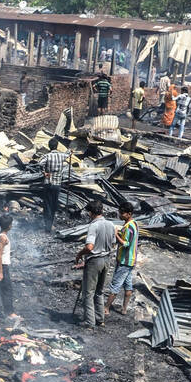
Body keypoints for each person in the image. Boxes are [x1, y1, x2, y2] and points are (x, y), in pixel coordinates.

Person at [74, 200, 116, 329]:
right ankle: (100, 319)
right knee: (99, 291)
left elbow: (90, 247)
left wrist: (80, 254)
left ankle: (90, 322)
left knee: (88, 293)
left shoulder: (94, 226)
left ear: (91, 213)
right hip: (106, 260)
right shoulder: (110, 224)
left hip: (94, 261)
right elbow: (114, 243)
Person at [106, 204, 139, 317]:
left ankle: (106, 308)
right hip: (130, 260)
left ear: (129, 214)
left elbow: (125, 243)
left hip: (125, 261)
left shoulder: (129, 227)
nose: (120, 215)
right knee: (128, 284)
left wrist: (116, 235)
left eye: (122, 213)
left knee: (115, 284)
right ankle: (124, 309)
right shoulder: (133, 224)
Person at [40, 140, 70, 230]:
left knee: (47, 204)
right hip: (57, 184)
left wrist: (44, 172)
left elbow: (40, 163)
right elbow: (67, 155)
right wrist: (70, 151)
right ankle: (51, 223)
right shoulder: (61, 156)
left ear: (49, 146)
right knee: (54, 204)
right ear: (57, 146)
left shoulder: (47, 156)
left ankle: (48, 226)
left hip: (48, 183)